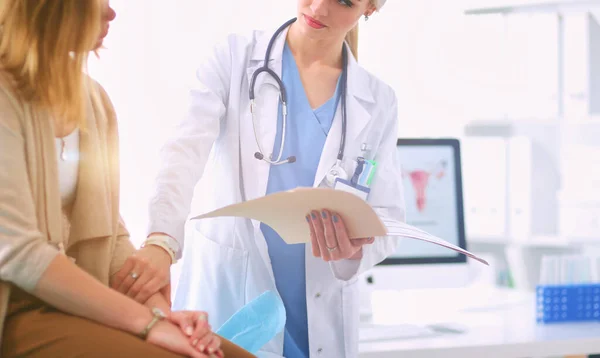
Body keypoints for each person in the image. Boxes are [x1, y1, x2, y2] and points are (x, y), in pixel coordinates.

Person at [113, 0, 405, 356]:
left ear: (370, 8)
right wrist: (162, 240)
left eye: (343, 1)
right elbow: (182, 154)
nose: (318, 7)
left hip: (316, 319)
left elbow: (387, 217)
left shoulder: (378, 100)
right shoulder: (235, 59)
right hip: (232, 300)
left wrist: (356, 249)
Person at [0, 1, 254, 357]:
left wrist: (162, 314)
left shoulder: (92, 100)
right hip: (15, 310)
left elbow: (109, 231)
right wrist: (148, 325)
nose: (111, 14)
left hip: (74, 304)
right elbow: (17, 253)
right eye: (97, 2)